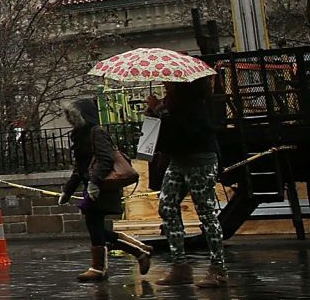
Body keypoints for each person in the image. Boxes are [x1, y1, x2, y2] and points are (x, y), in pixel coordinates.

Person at [61, 96, 155, 282]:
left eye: (74, 116)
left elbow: (105, 160)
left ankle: (100, 268)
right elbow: (79, 168)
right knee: (95, 225)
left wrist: (94, 183)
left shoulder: (97, 132)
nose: (71, 121)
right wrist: (68, 191)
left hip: (104, 186)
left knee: (94, 224)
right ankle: (139, 251)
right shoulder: (79, 136)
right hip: (93, 186)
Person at [148, 78, 226, 288]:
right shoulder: (170, 103)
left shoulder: (195, 104)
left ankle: (218, 268)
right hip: (178, 160)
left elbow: (187, 132)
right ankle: (180, 265)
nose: (165, 84)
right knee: (167, 206)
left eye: (169, 82)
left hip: (199, 159)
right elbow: (165, 135)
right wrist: (154, 112)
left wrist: (162, 113)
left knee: (205, 211)